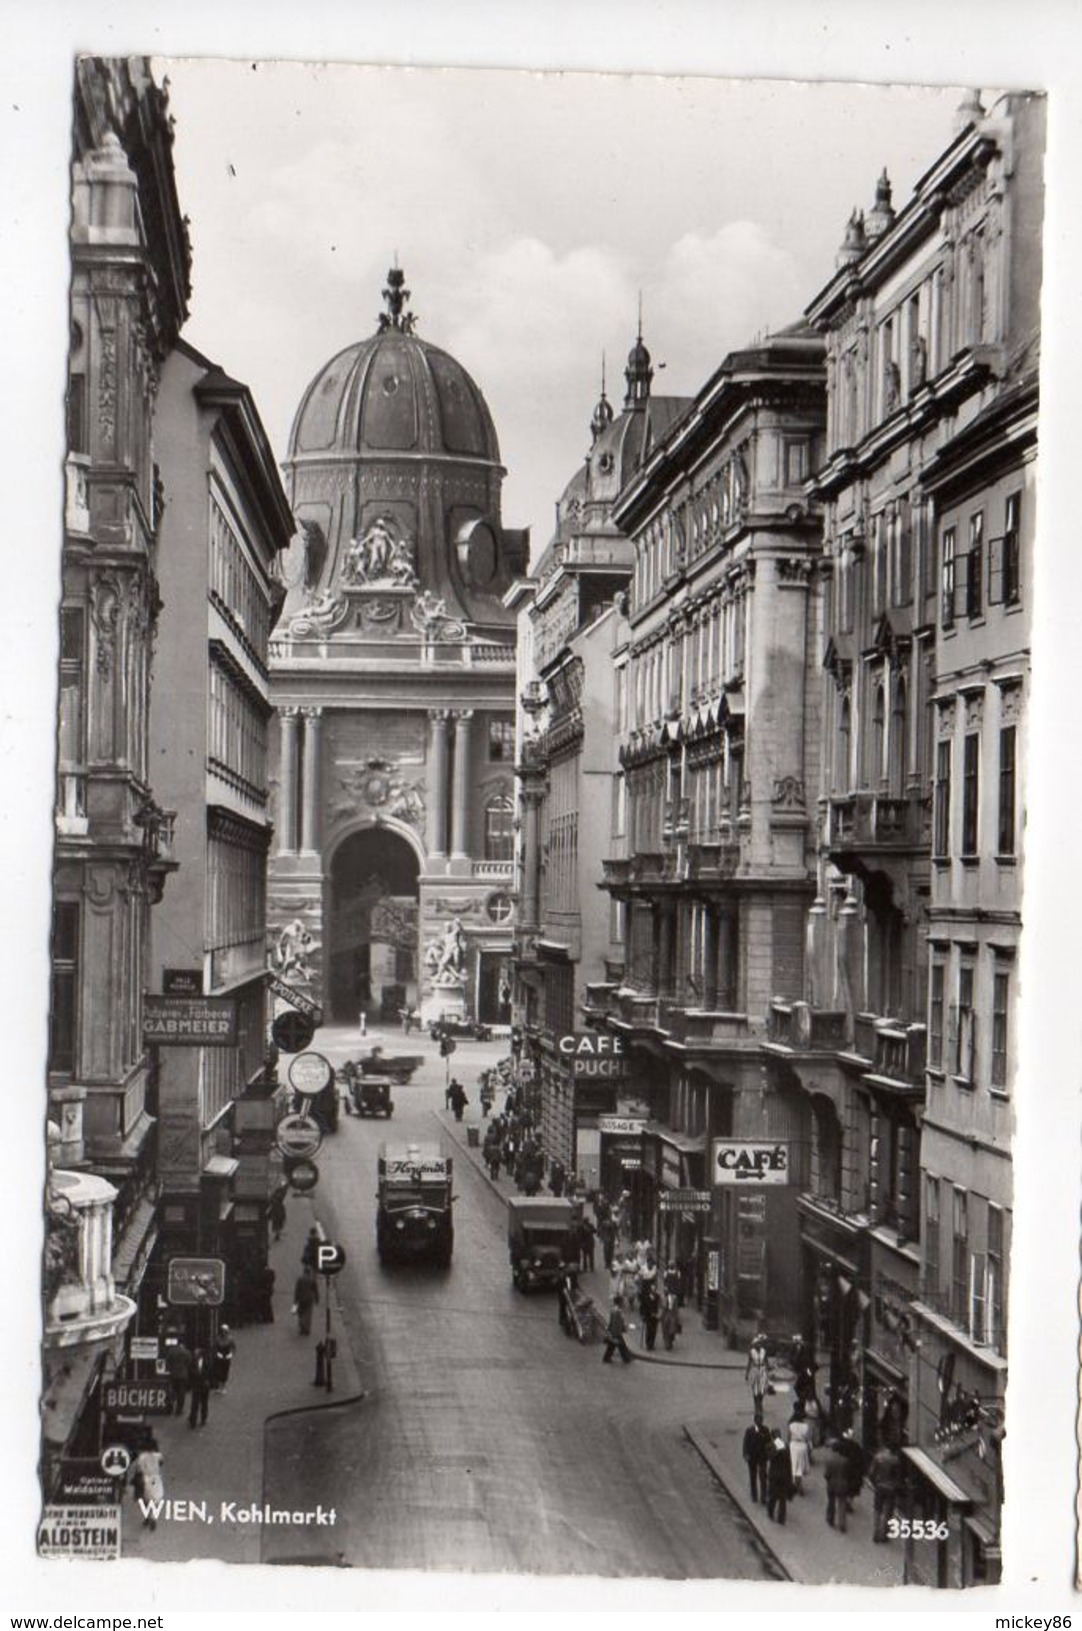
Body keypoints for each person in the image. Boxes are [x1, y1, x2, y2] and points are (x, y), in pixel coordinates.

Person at [870, 1443, 903, 1542]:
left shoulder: (878, 1457)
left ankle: (876, 1532)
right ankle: (884, 1533)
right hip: (891, 1488)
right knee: (887, 1511)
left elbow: (871, 1473)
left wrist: (875, 1483)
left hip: (879, 1486)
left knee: (877, 1510)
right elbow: (898, 1477)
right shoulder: (896, 1460)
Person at [132, 1435, 164, 1528]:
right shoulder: (158, 1456)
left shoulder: (141, 1457)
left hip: (144, 1479)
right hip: (156, 1478)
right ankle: (153, 1517)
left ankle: (147, 1517)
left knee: (144, 1500)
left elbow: (137, 1469)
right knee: (155, 1499)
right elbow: (161, 1463)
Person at [822, 1437, 851, 1532]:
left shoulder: (829, 1460)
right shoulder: (845, 1460)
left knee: (831, 1502)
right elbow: (848, 1473)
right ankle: (842, 1523)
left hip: (831, 1484)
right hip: (843, 1484)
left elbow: (826, 1474)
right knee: (842, 1503)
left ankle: (830, 1518)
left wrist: (828, 1479)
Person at [742, 1413, 772, 1504]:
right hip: (752, 1457)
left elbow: (769, 1443)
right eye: (758, 1420)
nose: (759, 1422)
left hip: (762, 1457)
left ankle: (763, 1497)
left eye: (761, 1420)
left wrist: (769, 1455)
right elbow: (745, 1443)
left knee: (763, 1477)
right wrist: (745, 1454)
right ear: (755, 1421)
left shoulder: (766, 1430)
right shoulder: (749, 1431)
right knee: (753, 1476)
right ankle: (754, 1495)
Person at [765, 1432, 794, 1525]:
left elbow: (770, 1457)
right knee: (780, 1498)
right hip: (782, 1476)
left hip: (776, 1476)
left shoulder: (772, 1446)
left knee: (776, 1497)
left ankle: (774, 1514)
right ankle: (779, 1517)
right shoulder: (784, 1447)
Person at [163, 1338, 193, 1417]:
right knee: (181, 1392)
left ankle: (169, 1407)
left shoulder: (171, 1351)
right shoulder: (187, 1352)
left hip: (173, 1374)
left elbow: (167, 1361)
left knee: (172, 1391)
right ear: (183, 1344)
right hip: (183, 1375)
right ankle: (179, 1410)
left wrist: (169, 1369)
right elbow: (189, 1363)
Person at [788, 1405, 813, 1495]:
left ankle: (797, 1484)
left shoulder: (792, 1425)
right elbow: (808, 1438)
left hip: (794, 1445)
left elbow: (789, 1437)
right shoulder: (806, 1426)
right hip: (802, 1446)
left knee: (794, 1465)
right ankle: (798, 1483)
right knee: (800, 1466)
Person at [601, 1297, 632, 1365]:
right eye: (623, 1301)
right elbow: (616, 1322)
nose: (624, 1303)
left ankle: (607, 1358)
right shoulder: (617, 1311)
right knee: (621, 1345)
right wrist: (618, 1331)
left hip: (614, 1331)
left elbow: (614, 1322)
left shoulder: (614, 1310)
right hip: (616, 1331)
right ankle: (626, 1358)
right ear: (620, 1302)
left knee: (613, 1345)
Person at [746, 1331, 770, 1414]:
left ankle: (760, 1403)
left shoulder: (764, 1351)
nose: (758, 1345)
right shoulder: (751, 1352)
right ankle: (757, 1405)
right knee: (755, 1389)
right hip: (755, 1370)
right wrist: (747, 1373)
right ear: (754, 1344)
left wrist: (768, 1371)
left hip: (762, 1370)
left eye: (760, 1344)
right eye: (757, 1344)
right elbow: (749, 1362)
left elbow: (766, 1361)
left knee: (762, 1390)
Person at [188, 1348, 212, 1429]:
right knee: (195, 1404)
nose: (195, 1355)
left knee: (204, 1404)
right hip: (196, 1385)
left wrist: (209, 1382)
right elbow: (190, 1371)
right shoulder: (192, 1362)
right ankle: (193, 1421)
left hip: (204, 1386)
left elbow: (210, 1372)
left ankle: (203, 1419)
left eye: (196, 1353)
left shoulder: (207, 1361)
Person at [293, 1264, 320, 1336]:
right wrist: (317, 1299)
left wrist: (295, 1300)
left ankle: (302, 1327)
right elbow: (315, 1290)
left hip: (301, 1298)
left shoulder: (300, 1279)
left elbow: (297, 1290)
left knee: (301, 1313)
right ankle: (307, 1328)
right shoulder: (312, 1280)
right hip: (309, 1299)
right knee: (308, 1314)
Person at [212, 1324, 236, 1393]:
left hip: (227, 1357)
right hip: (219, 1356)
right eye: (222, 1331)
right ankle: (219, 1387)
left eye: (225, 1331)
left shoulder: (230, 1339)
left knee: (225, 1372)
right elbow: (215, 1347)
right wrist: (217, 1353)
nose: (224, 1332)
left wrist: (231, 1354)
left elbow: (233, 1348)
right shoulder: (218, 1339)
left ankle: (223, 1387)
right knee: (219, 1372)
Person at [639, 1278, 660, 1351]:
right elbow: (643, 1306)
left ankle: (652, 1344)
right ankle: (648, 1344)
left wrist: (657, 1313)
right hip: (648, 1315)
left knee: (654, 1331)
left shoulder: (657, 1296)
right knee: (649, 1330)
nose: (654, 1288)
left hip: (655, 1316)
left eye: (655, 1287)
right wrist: (642, 1315)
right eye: (652, 1287)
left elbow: (658, 1306)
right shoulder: (646, 1296)